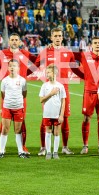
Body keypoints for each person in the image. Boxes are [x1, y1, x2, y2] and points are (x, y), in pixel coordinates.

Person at [35, 28, 81, 156]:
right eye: (55, 36)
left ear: (62, 37)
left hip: (64, 89)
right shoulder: (45, 51)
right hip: (49, 89)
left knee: (64, 118)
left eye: (59, 36)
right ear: (51, 37)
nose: (57, 38)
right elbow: (35, 65)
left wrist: (86, 76)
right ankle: (43, 147)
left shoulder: (68, 52)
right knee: (45, 119)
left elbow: (75, 68)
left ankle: (65, 147)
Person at [0, 33, 34, 154]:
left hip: (20, 93)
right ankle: (2, 147)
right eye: (12, 39)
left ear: (20, 41)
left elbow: (37, 62)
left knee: (22, 121)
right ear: (9, 41)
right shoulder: (1, 54)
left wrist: (26, 73)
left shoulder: (25, 54)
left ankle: (23, 146)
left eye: (17, 39)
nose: (14, 41)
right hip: (6, 92)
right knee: (4, 120)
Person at [78, 36, 99, 154]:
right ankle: (85, 145)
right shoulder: (84, 56)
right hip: (89, 92)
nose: (97, 44)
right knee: (86, 118)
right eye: (95, 43)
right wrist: (84, 77)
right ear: (91, 45)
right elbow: (70, 58)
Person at [0, 59, 28, 159]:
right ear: (8, 68)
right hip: (7, 107)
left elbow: (24, 94)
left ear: (18, 68)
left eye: (14, 66)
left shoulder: (22, 80)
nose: (12, 67)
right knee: (5, 129)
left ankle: (20, 151)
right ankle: (1, 151)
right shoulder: (4, 81)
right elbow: (3, 94)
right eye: (10, 66)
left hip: (18, 107)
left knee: (18, 130)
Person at [39, 65, 66, 160]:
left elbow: (63, 101)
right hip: (47, 113)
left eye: (48, 72)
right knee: (48, 132)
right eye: (46, 72)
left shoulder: (60, 86)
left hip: (57, 113)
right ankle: (48, 152)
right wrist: (51, 93)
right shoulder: (44, 85)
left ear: (54, 73)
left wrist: (61, 114)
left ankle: (55, 152)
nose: (46, 74)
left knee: (57, 133)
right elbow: (41, 100)